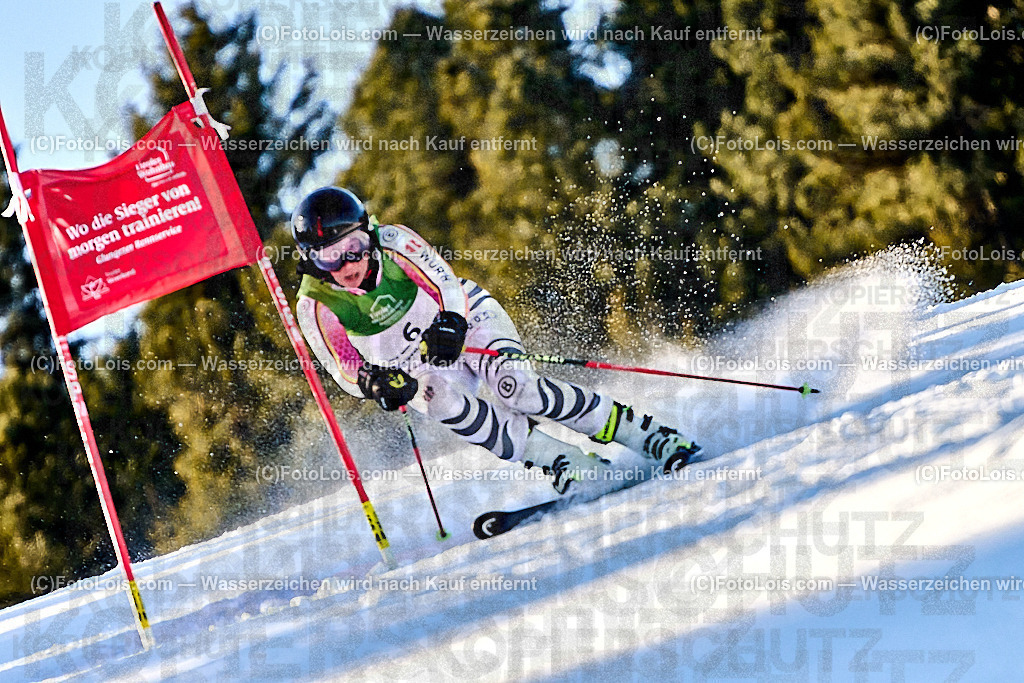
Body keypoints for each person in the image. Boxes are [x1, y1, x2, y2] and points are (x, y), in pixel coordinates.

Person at [291, 187, 700, 494]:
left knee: (518, 389)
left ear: (368, 235)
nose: (348, 264)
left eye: (355, 247)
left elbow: (447, 284)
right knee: (438, 400)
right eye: (330, 256)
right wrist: (373, 382)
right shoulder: (315, 304)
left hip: (465, 321)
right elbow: (341, 367)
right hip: (415, 363)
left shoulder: (394, 242)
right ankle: (564, 463)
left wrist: (452, 321)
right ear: (312, 259)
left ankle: (646, 434)